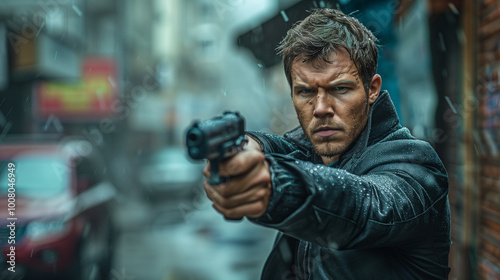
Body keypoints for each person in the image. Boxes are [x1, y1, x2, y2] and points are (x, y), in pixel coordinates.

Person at [202, 8, 450, 279]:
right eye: (306, 91)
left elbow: (363, 204)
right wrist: (249, 147)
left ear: (372, 89)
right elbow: (283, 148)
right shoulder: (312, 152)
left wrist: (277, 187)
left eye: (339, 89)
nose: (320, 108)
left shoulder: (418, 167)